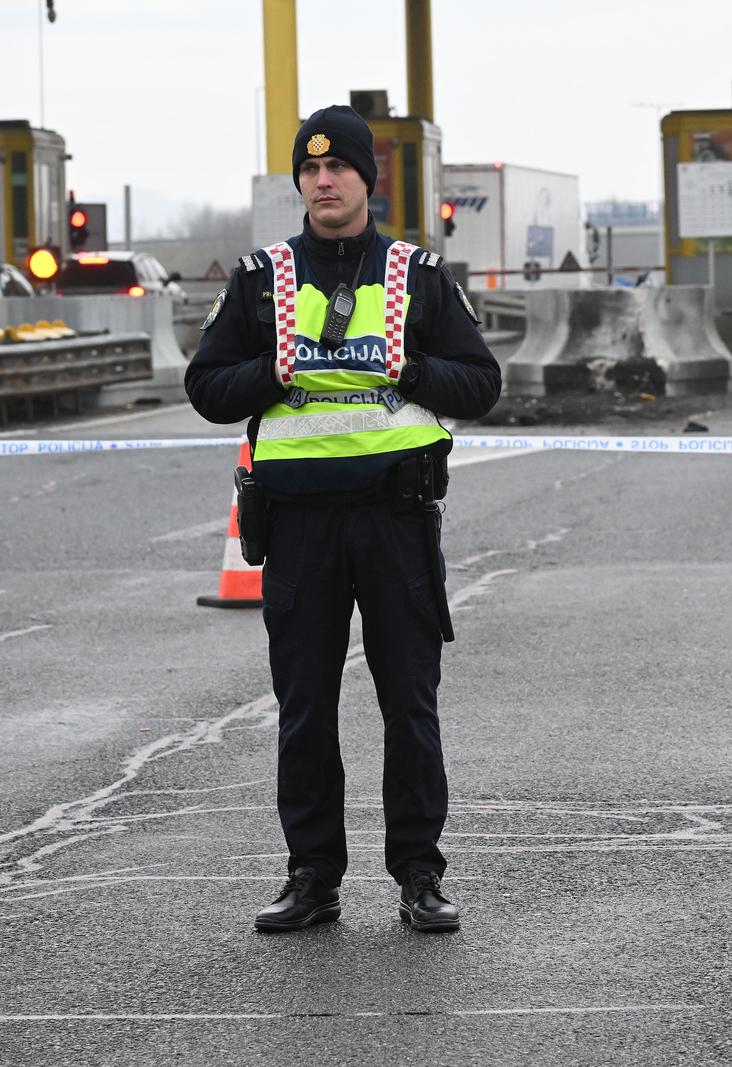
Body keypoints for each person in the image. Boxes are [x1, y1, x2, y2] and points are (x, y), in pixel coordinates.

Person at [185, 105, 501, 934]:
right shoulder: (260, 279)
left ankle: (420, 876)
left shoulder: (418, 275)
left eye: (339, 168)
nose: (324, 182)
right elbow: (207, 390)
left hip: (395, 521)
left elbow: (482, 384)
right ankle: (312, 876)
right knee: (304, 708)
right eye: (310, 170)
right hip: (298, 529)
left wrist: (414, 365)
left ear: (367, 178)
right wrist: (270, 370)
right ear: (300, 181)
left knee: (410, 702)